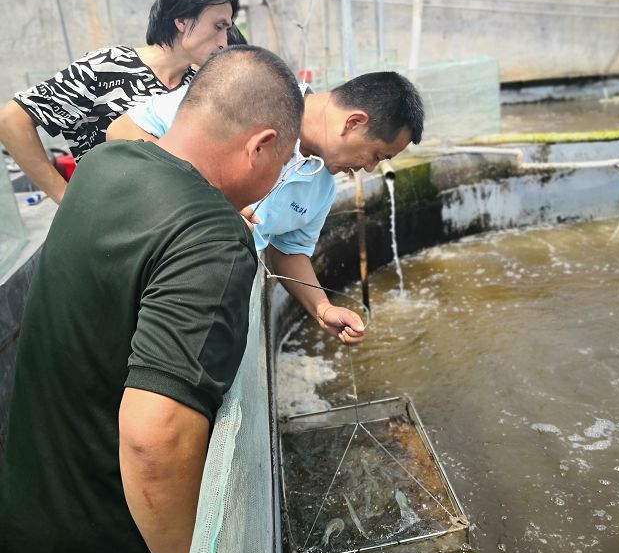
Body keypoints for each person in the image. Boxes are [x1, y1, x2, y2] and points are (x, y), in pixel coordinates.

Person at [0, 46, 304, 553]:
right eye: (281, 165)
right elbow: (155, 441)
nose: (276, 183)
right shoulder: (210, 241)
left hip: (24, 536)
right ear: (261, 145)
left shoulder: (106, 164)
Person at [107, 71, 425, 346]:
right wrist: (207, 199)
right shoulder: (252, 93)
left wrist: (322, 308)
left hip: (203, 306)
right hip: (138, 272)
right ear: (354, 122)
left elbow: (288, 250)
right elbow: (122, 132)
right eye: (377, 155)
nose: (369, 169)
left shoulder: (322, 187)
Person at [0, 0, 240, 204]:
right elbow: (12, 120)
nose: (224, 42)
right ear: (182, 20)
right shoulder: (106, 67)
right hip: (107, 225)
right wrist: (64, 197)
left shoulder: (196, 85)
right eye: (218, 27)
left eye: (227, 30)